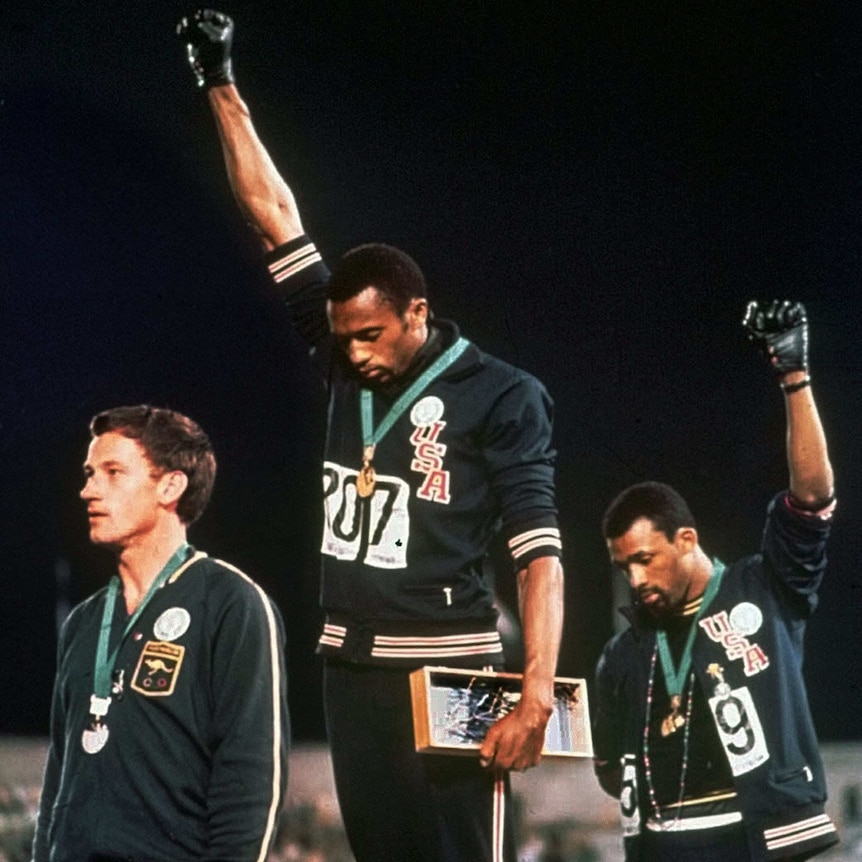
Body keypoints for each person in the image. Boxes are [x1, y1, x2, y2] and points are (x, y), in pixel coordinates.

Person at [176, 10, 564, 862]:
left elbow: (539, 555)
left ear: (416, 314)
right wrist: (219, 80)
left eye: (371, 337)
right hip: (350, 668)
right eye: (342, 337)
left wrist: (534, 692)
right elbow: (272, 211)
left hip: (452, 669)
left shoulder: (502, 394)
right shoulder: (341, 350)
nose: (353, 355)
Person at [592, 300, 839, 861]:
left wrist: (794, 378)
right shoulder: (622, 655)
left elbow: (813, 497)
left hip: (762, 838)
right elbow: (608, 770)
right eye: (623, 566)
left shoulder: (764, 588)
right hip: (662, 846)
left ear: (686, 540)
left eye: (645, 559)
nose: (635, 578)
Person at [32, 405, 289, 862]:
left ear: (170, 486)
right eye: (90, 473)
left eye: (113, 472)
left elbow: (251, 783)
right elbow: (59, 774)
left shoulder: (232, 604)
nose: (88, 490)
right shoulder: (84, 621)